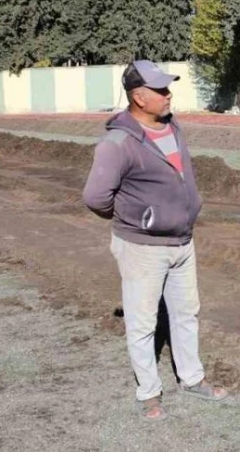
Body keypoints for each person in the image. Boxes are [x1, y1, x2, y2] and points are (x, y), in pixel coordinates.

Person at [82, 60, 227, 421]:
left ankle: (191, 379)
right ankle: (149, 393)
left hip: (182, 242)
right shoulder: (117, 143)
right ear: (138, 96)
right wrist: (137, 220)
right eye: (160, 90)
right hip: (142, 248)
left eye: (167, 88)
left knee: (185, 313)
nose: (168, 94)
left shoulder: (172, 126)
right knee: (143, 322)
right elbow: (95, 197)